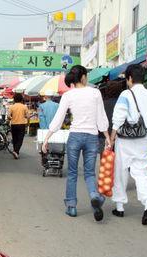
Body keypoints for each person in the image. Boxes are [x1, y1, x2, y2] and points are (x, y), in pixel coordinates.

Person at [42, 65, 112, 220]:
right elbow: (101, 117)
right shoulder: (95, 93)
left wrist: (47, 138)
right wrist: (107, 137)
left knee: (72, 173)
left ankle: (72, 207)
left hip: (75, 137)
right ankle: (95, 195)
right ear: (83, 77)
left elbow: (59, 119)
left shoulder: (69, 95)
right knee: (89, 173)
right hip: (92, 137)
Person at [110, 64, 147, 225]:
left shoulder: (126, 94)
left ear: (130, 78)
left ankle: (120, 207)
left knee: (121, 171)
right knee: (141, 173)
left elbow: (118, 117)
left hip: (126, 140)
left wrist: (111, 138)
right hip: (145, 139)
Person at [7, 93, 29, 159]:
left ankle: (16, 152)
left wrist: (10, 119)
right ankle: (16, 151)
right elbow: (28, 116)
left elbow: (8, 116)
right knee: (20, 139)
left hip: (13, 124)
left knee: (15, 139)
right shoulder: (24, 107)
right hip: (22, 124)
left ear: (14, 99)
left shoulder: (11, 107)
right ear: (21, 99)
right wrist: (27, 122)